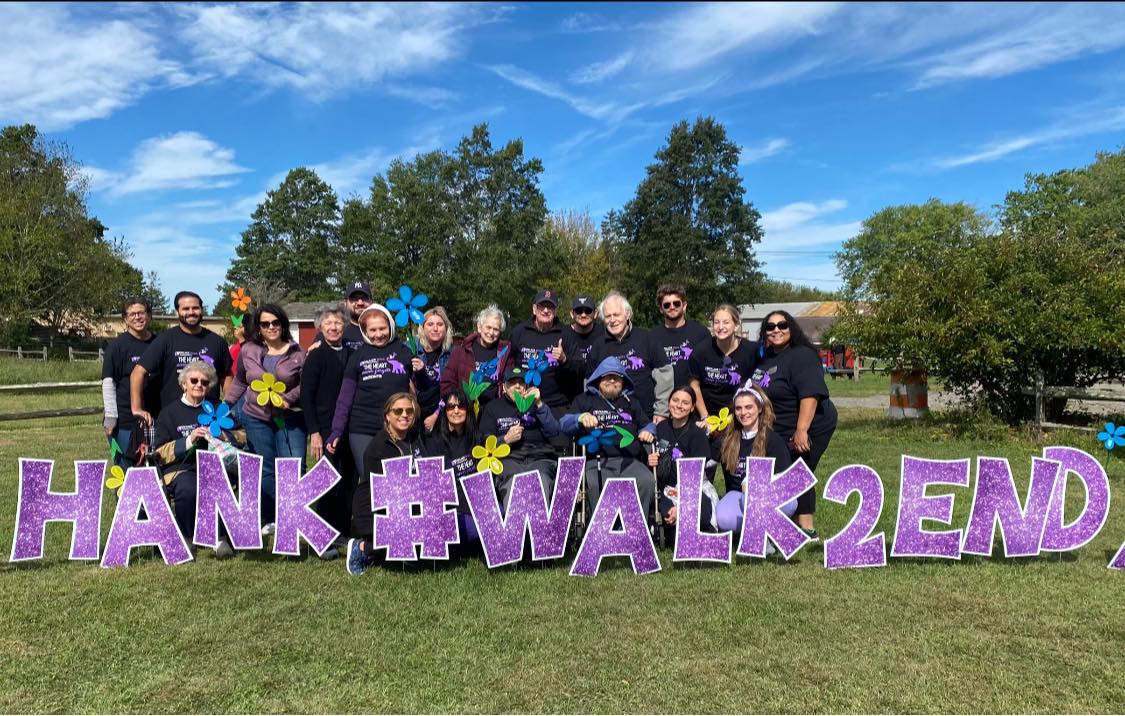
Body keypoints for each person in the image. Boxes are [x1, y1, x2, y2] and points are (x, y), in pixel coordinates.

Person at [751, 311, 838, 540]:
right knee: (783, 471)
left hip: (812, 423)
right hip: (780, 426)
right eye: (770, 326)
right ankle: (784, 523)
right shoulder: (766, 356)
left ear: (792, 328)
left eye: (782, 325)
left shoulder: (802, 355)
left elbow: (810, 394)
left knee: (800, 470)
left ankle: (807, 528)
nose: (776, 330)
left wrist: (802, 430)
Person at [223, 304, 306, 535]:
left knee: (292, 465)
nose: (271, 327)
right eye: (265, 324)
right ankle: (270, 517)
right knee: (267, 466)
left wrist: (288, 398)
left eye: (275, 322)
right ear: (258, 327)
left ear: (283, 324)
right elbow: (240, 381)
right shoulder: (249, 350)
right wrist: (225, 406)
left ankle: (293, 515)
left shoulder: (298, 353)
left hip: (289, 417)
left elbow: (305, 384)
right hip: (256, 417)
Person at [153, 359, 244, 559]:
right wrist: (189, 439)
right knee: (188, 488)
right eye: (193, 380)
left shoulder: (218, 408)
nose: (199, 385)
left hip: (216, 466)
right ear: (183, 384)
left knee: (221, 483)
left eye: (204, 382)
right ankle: (186, 536)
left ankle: (219, 537)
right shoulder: (168, 413)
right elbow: (159, 452)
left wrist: (223, 435)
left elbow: (243, 436)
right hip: (181, 468)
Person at [561, 357, 657, 519]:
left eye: (616, 377)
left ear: (623, 381)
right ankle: (599, 530)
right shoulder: (585, 400)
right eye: (607, 377)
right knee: (593, 482)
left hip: (629, 461)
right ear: (598, 379)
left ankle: (634, 528)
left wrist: (648, 430)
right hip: (596, 461)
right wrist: (581, 417)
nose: (611, 380)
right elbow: (563, 423)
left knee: (646, 479)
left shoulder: (631, 402)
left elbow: (648, 424)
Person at [326, 304, 414, 479]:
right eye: (372, 330)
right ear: (365, 331)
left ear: (390, 326)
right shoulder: (357, 356)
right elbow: (345, 398)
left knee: (400, 481)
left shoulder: (404, 352)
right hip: (362, 428)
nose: (378, 334)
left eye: (382, 328)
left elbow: (416, 390)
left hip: (397, 426)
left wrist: (422, 374)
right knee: (371, 481)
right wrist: (336, 430)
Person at [345, 393, 423, 576]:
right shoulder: (377, 448)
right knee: (403, 539)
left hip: (409, 501)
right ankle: (362, 548)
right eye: (398, 411)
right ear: (387, 415)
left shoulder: (417, 437)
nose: (404, 415)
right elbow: (383, 495)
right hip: (376, 507)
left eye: (409, 411)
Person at [131, 291, 232, 424]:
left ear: (201, 310)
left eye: (195, 308)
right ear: (177, 312)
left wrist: (227, 404)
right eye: (185, 309)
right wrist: (137, 408)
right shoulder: (165, 340)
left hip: (210, 417)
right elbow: (138, 373)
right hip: (173, 419)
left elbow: (227, 376)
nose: (191, 312)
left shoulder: (217, 342)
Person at [300, 304, 354, 548]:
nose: (333, 327)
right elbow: (306, 397)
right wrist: (314, 432)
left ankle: (342, 530)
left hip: (350, 427)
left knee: (348, 479)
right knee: (327, 480)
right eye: (328, 323)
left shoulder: (352, 353)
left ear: (345, 326)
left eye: (338, 322)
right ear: (320, 327)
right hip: (324, 427)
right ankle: (322, 530)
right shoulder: (317, 355)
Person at [713, 383, 796, 539]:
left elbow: (786, 480)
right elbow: (706, 461)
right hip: (738, 496)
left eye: (749, 407)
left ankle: (766, 537)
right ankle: (755, 531)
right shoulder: (728, 439)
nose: (743, 413)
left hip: (773, 497)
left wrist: (753, 484)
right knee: (723, 517)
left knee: (752, 498)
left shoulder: (773, 440)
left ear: (759, 409)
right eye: (738, 408)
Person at [477, 365, 561, 507]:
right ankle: (515, 528)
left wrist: (539, 404)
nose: (517, 386)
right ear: (504, 387)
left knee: (540, 481)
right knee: (513, 484)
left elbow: (554, 431)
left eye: (521, 383)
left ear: (526, 386)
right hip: (508, 459)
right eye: (512, 383)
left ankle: (539, 528)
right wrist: (505, 440)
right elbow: (484, 442)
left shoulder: (536, 404)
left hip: (539, 457)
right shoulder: (492, 407)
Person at [586, 291, 672, 420]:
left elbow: (665, 377)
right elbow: (589, 383)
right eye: (608, 316)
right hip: (611, 418)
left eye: (616, 314)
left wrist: (661, 412)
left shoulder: (646, 339)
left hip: (647, 416)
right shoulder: (598, 346)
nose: (612, 320)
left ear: (627, 314)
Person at [647, 385, 716, 544]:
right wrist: (650, 461)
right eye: (675, 400)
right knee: (666, 513)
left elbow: (696, 477)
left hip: (692, 488)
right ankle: (676, 528)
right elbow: (657, 460)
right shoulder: (661, 428)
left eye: (685, 403)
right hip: (667, 489)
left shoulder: (697, 434)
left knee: (703, 511)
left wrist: (682, 508)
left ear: (692, 408)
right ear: (669, 402)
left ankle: (691, 526)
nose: (679, 405)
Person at [101, 298, 159, 468]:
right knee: (126, 469)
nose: (137, 317)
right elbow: (108, 382)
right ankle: (123, 496)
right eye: (132, 314)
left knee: (154, 469)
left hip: (155, 418)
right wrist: (111, 417)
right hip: (126, 420)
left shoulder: (159, 343)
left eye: (141, 313)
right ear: (125, 319)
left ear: (149, 316)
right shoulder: (117, 347)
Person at [422, 387, 480, 547]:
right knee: (474, 528)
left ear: (467, 410)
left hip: (476, 503)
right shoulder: (434, 443)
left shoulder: (476, 438)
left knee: (501, 514)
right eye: (450, 406)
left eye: (460, 406)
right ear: (445, 411)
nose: (456, 411)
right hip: (453, 508)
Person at [509, 288, 576, 422]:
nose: (546, 310)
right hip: (525, 401)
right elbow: (509, 364)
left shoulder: (567, 333)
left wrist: (564, 359)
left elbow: (580, 369)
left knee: (558, 442)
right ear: (534, 309)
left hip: (557, 406)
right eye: (542, 306)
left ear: (555, 311)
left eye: (550, 307)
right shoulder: (519, 332)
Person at [688, 304, 758, 420]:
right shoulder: (701, 350)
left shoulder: (750, 350)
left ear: (736, 325)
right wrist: (705, 417)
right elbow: (694, 385)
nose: (721, 327)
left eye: (726, 322)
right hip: (708, 416)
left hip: (739, 416)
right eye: (716, 322)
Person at [441, 304, 512, 414]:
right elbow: (447, 384)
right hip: (464, 410)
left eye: (496, 329)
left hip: (493, 412)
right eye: (488, 327)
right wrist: (458, 403)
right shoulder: (461, 351)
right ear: (479, 327)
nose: (491, 333)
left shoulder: (505, 353)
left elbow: (508, 384)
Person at [649, 284, 711, 390]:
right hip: (664, 401)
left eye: (676, 303)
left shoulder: (701, 333)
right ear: (661, 309)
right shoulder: (652, 336)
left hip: (694, 399)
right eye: (667, 305)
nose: (672, 307)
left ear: (684, 305)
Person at [412, 307, 454, 432]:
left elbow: (451, 389)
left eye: (440, 324)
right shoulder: (410, 349)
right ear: (422, 327)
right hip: (414, 411)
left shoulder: (453, 353)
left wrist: (436, 414)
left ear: (446, 328)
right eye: (430, 324)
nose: (435, 329)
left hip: (440, 411)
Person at [560, 294, 603, 402]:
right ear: (572, 314)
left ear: (595, 313)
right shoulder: (562, 334)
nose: (583, 314)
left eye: (588, 311)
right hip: (567, 398)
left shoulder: (604, 334)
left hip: (598, 396)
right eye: (579, 311)